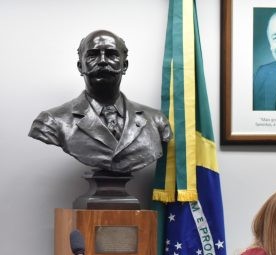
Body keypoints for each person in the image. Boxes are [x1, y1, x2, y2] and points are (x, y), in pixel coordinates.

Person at [28, 30, 171, 174]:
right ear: (80, 66)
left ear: (125, 65)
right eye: (92, 55)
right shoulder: (51, 121)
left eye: (111, 54)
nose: (102, 61)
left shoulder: (155, 120)